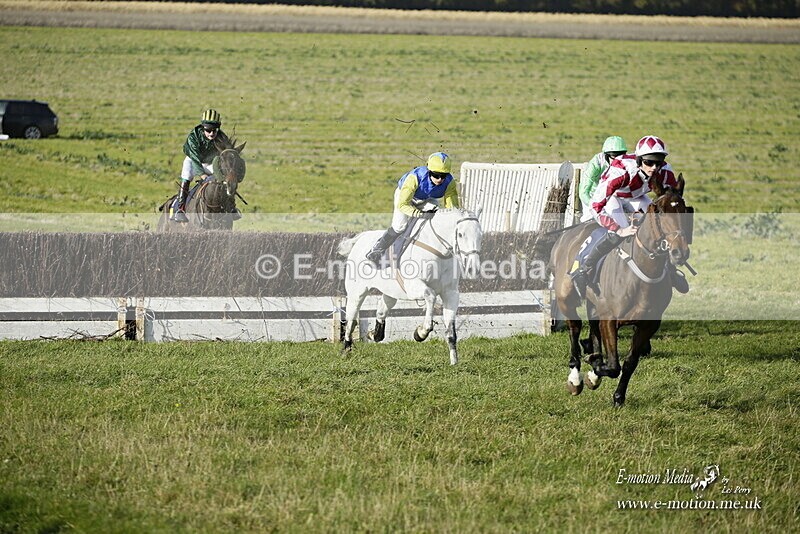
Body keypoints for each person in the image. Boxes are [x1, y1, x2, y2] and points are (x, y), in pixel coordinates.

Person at [571, 135, 688, 297]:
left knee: (657, 225)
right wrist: (618, 230)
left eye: (658, 162)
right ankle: (584, 270)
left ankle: (670, 270)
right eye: (649, 162)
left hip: (636, 197)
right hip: (613, 198)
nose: (654, 167)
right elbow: (595, 206)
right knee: (619, 231)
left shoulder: (666, 172)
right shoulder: (621, 171)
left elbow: (671, 202)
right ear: (639, 161)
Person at [365, 152, 460, 267]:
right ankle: (377, 249)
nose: (440, 179)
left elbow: (452, 209)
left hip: (426, 199)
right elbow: (403, 204)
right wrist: (418, 214)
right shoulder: (414, 177)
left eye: (443, 176)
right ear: (429, 171)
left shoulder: (450, 183)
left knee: (436, 214)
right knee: (399, 227)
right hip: (405, 198)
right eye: (436, 175)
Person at [170, 108, 234, 222]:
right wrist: (202, 175)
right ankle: (180, 208)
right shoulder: (193, 137)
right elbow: (194, 159)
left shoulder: (222, 137)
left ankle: (231, 206)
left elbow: (227, 154)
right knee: (187, 175)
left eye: (215, 130)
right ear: (203, 127)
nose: (212, 133)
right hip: (193, 161)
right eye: (208, 130)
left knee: (225, 179)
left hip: (211, 163)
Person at [579, 136, 627, 221]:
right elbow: (583, 192)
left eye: (621, 155)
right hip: (593, 197)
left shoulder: (627, 162)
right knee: (590, 220)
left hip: (614, 196)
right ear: (606, 155)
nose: (618, 160)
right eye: (614, 156)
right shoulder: (596, 163)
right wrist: (596, 206)